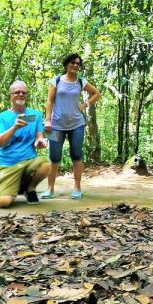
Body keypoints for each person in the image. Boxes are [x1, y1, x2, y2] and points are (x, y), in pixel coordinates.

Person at [41, 53, 101, 200]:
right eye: (73, 62)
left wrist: (84, 104)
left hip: (77, 125)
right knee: (54, 157)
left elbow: (96, 93)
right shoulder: (56, 81)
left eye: (78, 63)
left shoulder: (81, 81)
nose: (75, 65)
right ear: (66, 64)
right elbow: (49, 101)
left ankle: (77, 188)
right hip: (55, 125)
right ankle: (50, 189)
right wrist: (48, 120)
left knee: (76, 155)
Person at [0, 80, 51, 208]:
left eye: (24, 92)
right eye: (17, 92)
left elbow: (39, 136)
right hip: (7, 164)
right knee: (3, 203)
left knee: (45, 164)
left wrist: (40, 141)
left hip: (28, 161)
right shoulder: (3, 117)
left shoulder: (35, 115)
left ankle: (30, 188)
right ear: (11, 95)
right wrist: (14, 128)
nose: (21, 94)